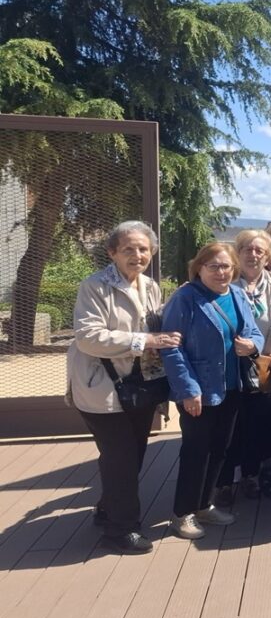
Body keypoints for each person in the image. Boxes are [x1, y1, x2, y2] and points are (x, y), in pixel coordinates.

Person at [68, 221, 179, 554]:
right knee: (121, 457)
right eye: (129, 248)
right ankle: (121, 530)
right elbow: (88, 337)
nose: (137, 255)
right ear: (112, 252)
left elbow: (156, 324)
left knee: (133, 454)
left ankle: (108, 508)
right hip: (100, 387)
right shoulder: (95, 286)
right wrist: (144, 340)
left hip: (139, 386)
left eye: (144, 248)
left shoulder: (150, 286)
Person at [161, 243, 265, 539]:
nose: (221, 272)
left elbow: (254, 331)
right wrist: (188, 389)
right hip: (199, 391)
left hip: (232, 386)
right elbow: (172, 347)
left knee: (220, 448)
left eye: (226, 266)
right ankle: (182, 513)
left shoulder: (236, 294)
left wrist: (253, 345)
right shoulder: (186, 298)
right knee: (196, 451)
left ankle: (204, 504)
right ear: (199, 268)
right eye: (214, 266)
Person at [216, 229, 271, 501]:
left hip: (265, 367)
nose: (253, 254)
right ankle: (223, 482)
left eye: (259, 250)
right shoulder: (225, 284)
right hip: (230, 367)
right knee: (231, 425)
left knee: (261, 423)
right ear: (237, 253)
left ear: (268, 256)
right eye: (247, 248)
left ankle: (252, 475)